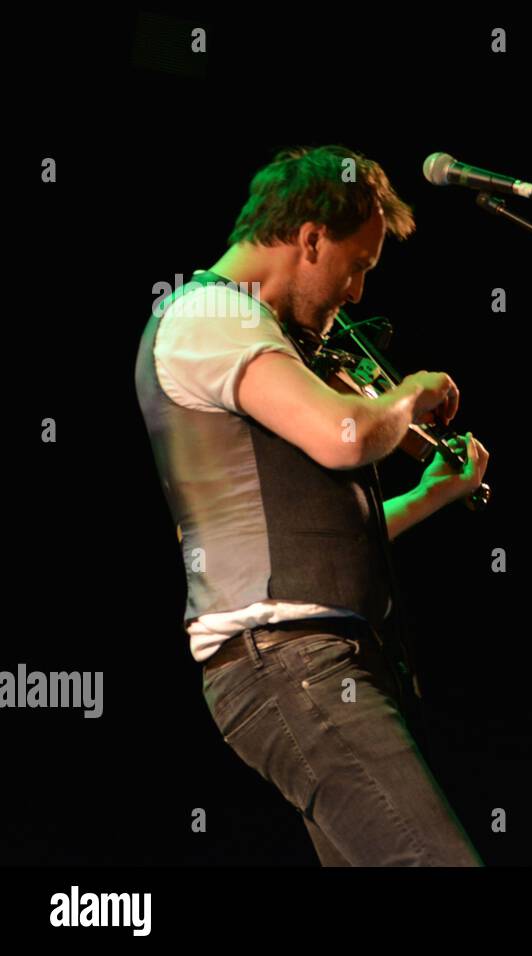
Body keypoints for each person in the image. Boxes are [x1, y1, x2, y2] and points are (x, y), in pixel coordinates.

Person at [135, 145, 488, 866]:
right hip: (287, 664)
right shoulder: (208, 316)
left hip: (309, 661)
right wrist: (410, 392)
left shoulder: (255, 335)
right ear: (309, 238)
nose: (357, 294)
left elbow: (310, 533)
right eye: (357, 266)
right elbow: (346, 434)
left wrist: (427, 496)